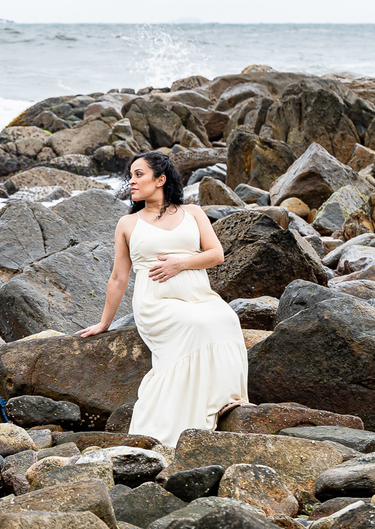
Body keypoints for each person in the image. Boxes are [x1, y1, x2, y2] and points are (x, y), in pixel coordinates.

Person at [75, 150, 249, 447]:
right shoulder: (128, 225)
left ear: (161, 179)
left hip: (198, 294)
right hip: (157, 302)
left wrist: (180, 263)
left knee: (226, 319)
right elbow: (119, 277)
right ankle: (186, 416)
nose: (131, 181)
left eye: (138, 174)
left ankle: (226, 400)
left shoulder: (192, 213)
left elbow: (216, 254)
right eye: (130, 176)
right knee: (197, 324)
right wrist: (104, 323)